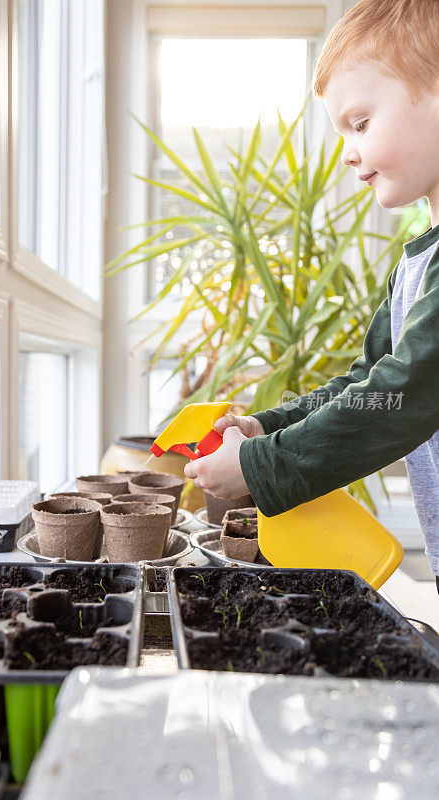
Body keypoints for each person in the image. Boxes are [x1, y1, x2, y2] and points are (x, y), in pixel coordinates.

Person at [184, 0, 439, 585]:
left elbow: (405, 396)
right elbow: (368, 383)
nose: (347, 151)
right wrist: (268, 429)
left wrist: (259, 466)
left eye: (361, 122)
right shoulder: (418, 265)